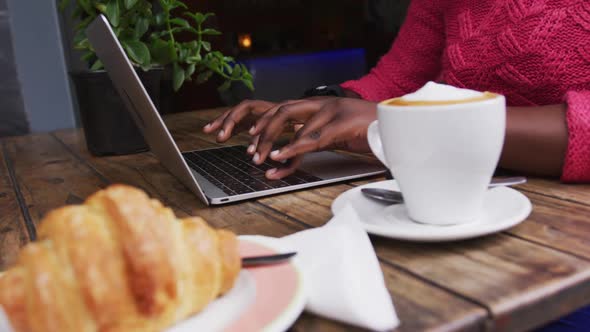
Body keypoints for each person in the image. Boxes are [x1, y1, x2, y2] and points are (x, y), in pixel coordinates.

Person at [204, 1, 589, 329]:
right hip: (440, 220)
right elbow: (397, 77)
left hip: (565, 257)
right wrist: (321, 110)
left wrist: (410, 122)